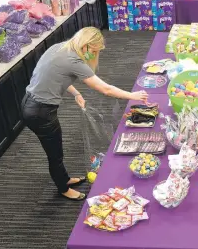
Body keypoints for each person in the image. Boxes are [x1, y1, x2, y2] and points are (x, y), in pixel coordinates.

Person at [22, 27, 148, 201]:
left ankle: (64, 178)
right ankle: (62, 188)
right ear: (86, 45)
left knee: (56, 150)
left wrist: (76, 93)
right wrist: (132, 96)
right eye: (94, 51)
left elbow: (57, 77)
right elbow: (105, 89)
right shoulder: (73, 60)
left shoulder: (60, 48)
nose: (94, 55)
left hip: (30, 102)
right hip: (40, 112)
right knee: (55, 153)